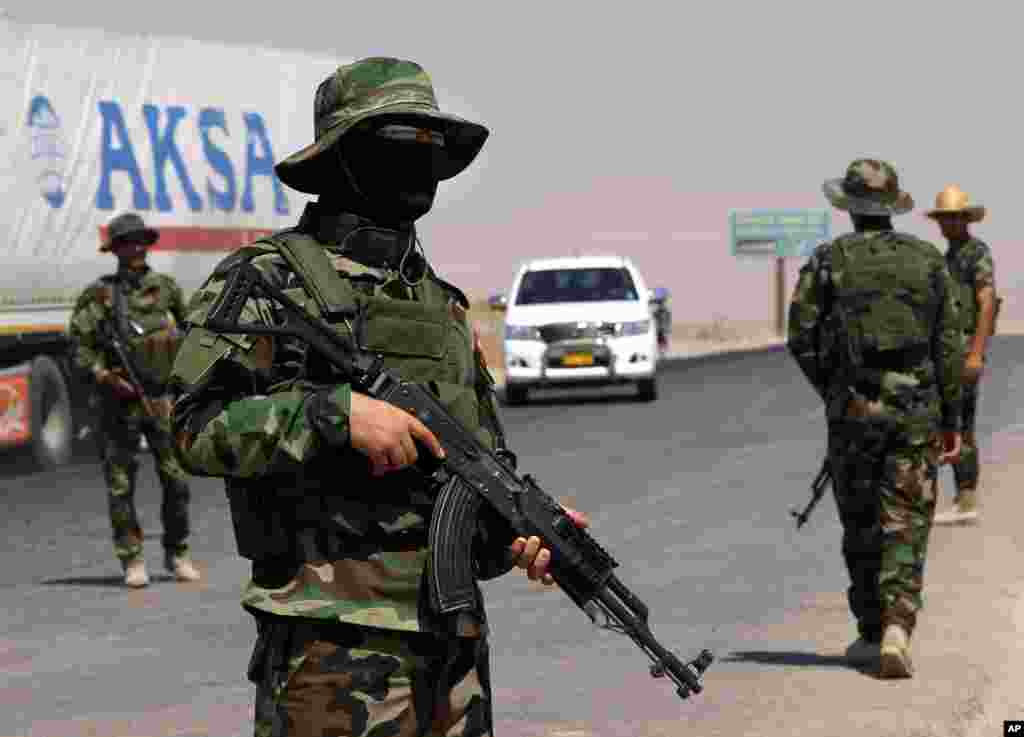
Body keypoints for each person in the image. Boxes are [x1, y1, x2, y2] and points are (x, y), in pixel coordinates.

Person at [168, 57, 587, 735]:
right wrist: (332, 415)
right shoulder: (270, 279)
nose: (420, 170)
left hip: (453, 648)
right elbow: (192, 426)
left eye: (432, 152)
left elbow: (470, 474)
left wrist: (521, 528)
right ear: (344, 158)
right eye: (399, 147)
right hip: (331, 647)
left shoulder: (442, 308)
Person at [787, 159, 963, 678]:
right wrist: (951, 417)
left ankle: (869, 629)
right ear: (892, 207)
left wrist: (835, 390)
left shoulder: (828, 260)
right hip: (916, 417)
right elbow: (947, 345)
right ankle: (897, 628)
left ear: (849, 207)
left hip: (854, 417)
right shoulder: (928, 260)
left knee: (861, 522)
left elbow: (801, 335)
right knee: (906, 522)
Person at [68, 212, 200, 588]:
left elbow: (191, 335)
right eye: (127, 242)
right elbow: (79, 346)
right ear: (116, 250)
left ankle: (178, 552)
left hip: (161, 398)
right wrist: (106, 376)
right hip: (119, 402)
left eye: (140, 241)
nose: (135, 248)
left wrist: (185, 379)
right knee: (121, 484)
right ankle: (132, 557)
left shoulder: (167, 288)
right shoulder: (100, 295)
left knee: (177, 480)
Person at [926, 185, 1000, 525]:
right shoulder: (947, 257)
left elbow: (987, 303)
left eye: (953, 217)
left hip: (964, 351)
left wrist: (976, 354)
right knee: (948, 423)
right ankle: (961, 495)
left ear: (965, 219)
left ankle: (967, 496)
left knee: (962, 424)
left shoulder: (975, 252)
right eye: (943, 218)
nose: (947, 224)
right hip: (946, 353)